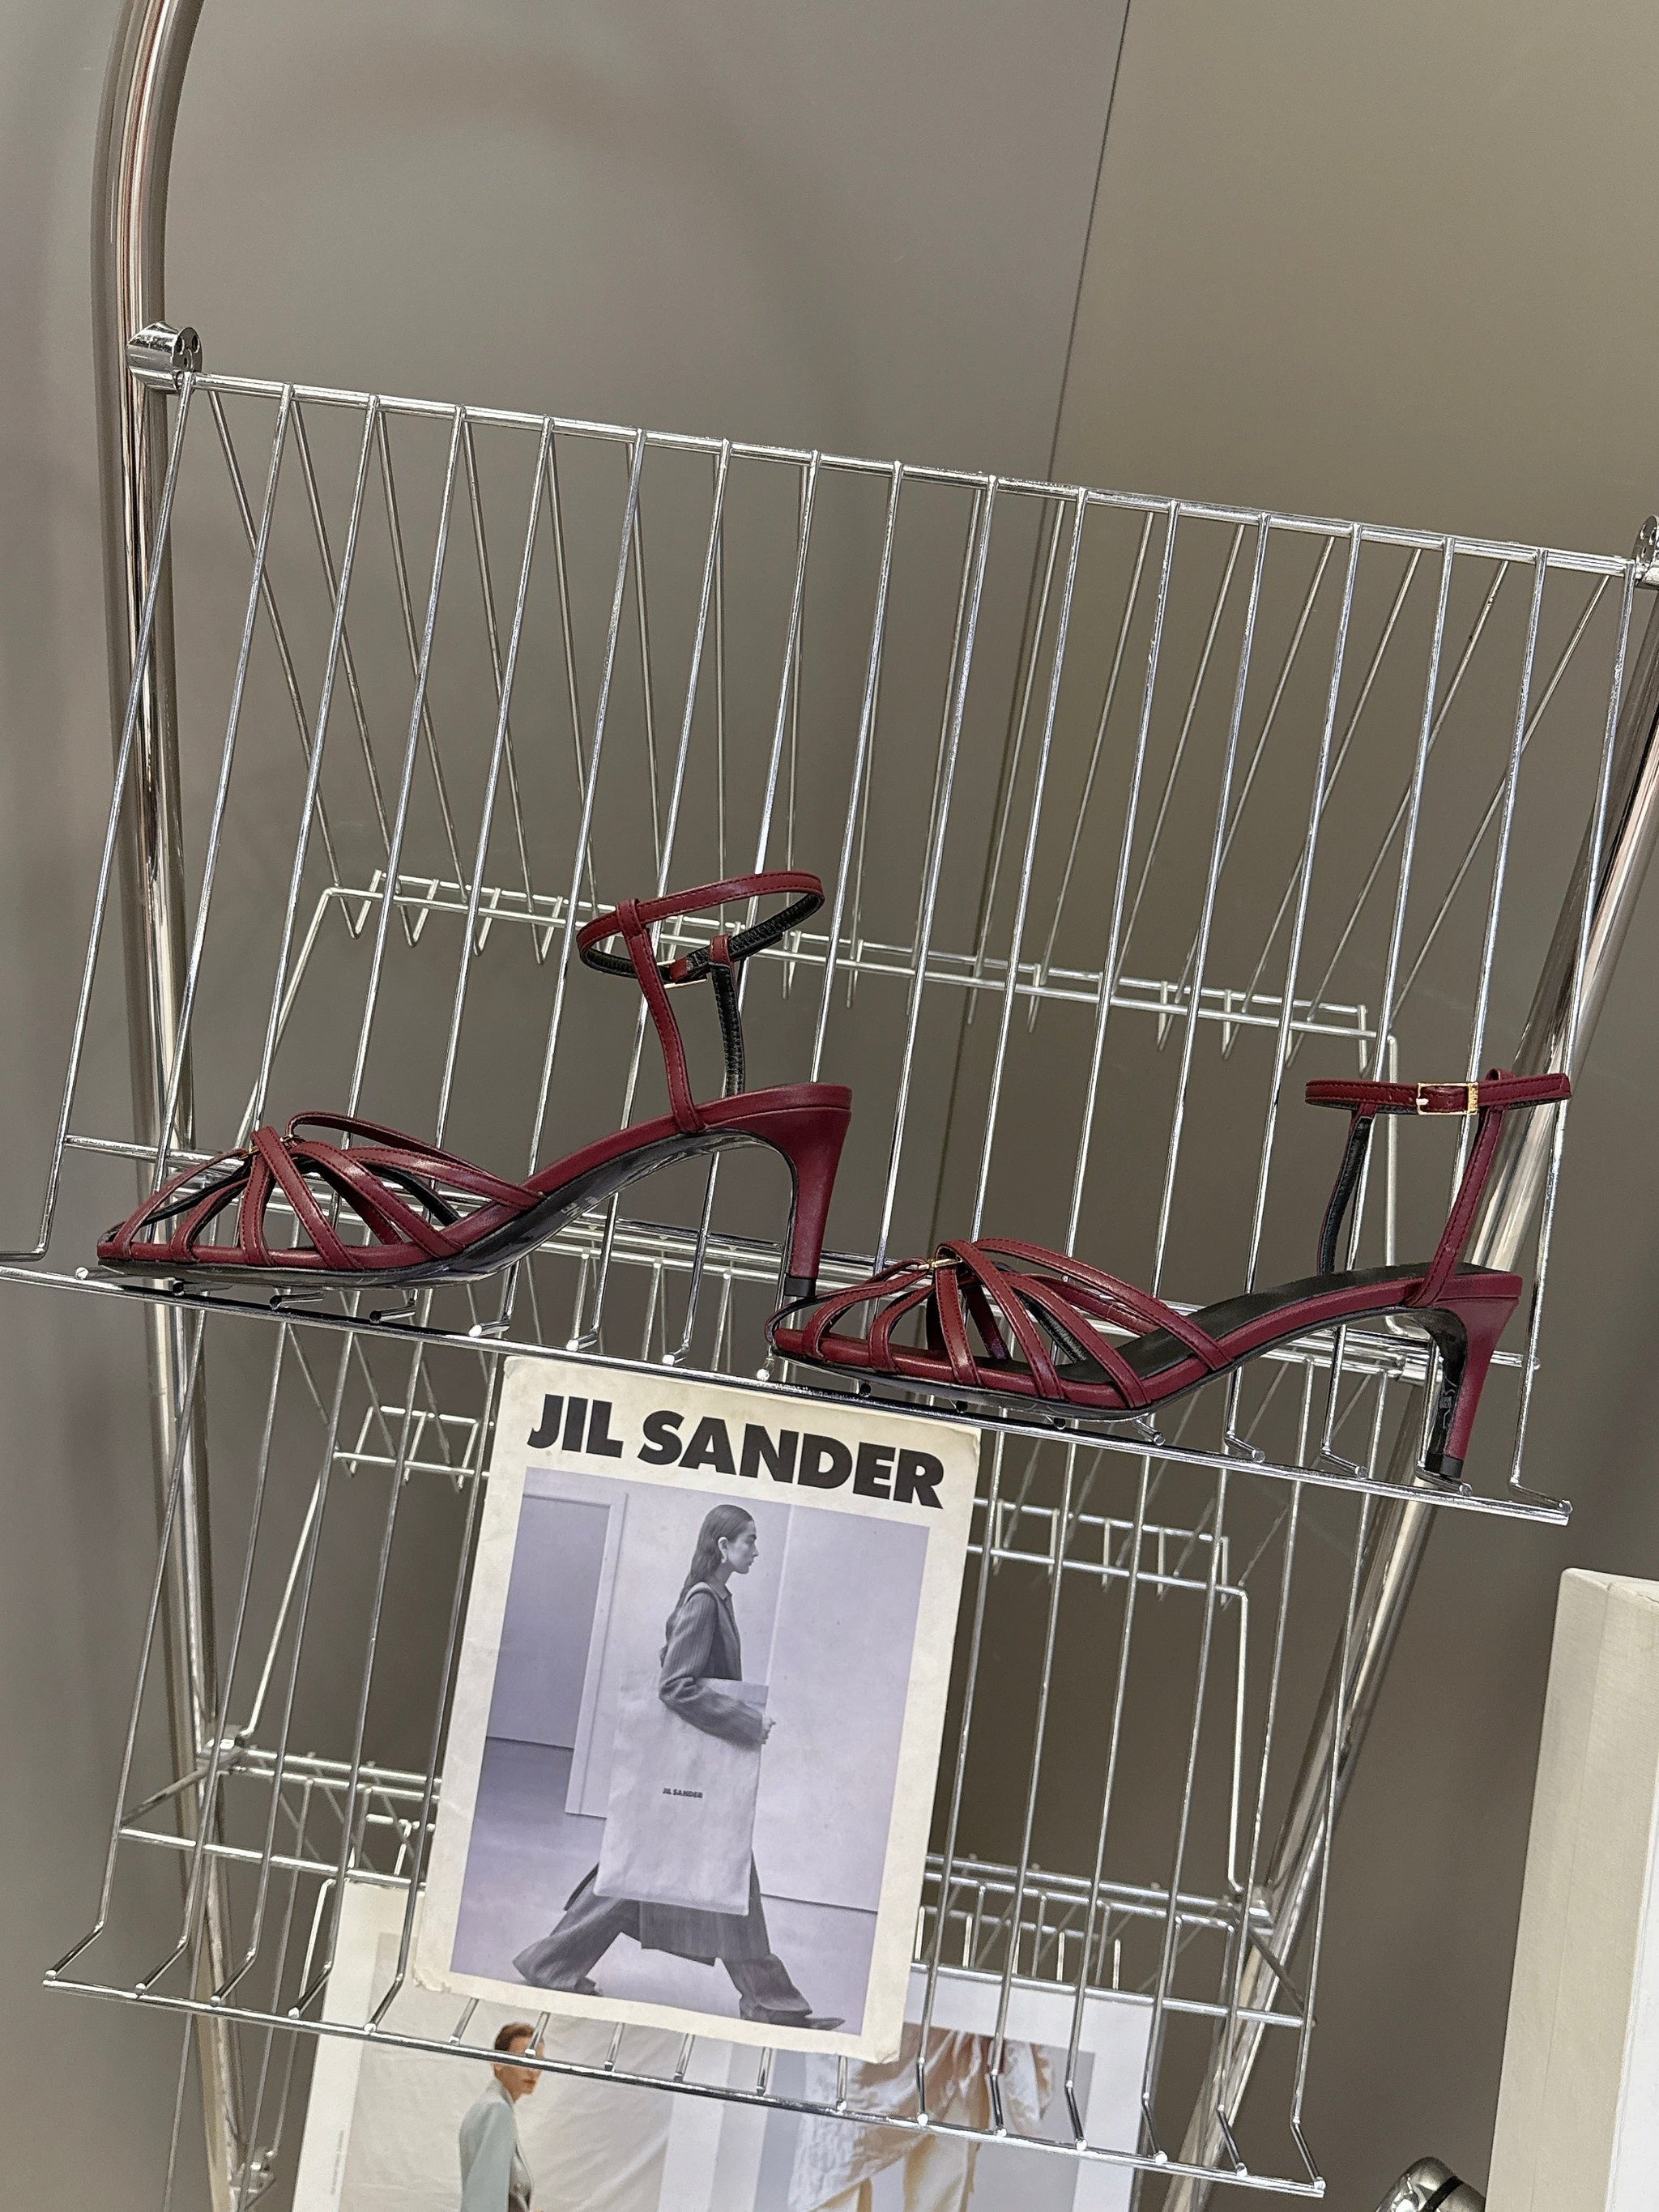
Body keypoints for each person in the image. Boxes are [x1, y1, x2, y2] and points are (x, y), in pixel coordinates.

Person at [513, 1503, 842, 2028]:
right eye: (750, 1540)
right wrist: (745, 1721)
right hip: (695, 1779)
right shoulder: (705, 1602)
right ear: (723, 1546)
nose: (756, 1550)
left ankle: (553, 1962)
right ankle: (767, 2002)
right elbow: (674, 1685)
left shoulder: (715, 1598)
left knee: (665, 1877)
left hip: (695, 1779)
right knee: (702, 1878)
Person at [457, 2021, 540, 2212]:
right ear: (498, 2061)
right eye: (524, 2057)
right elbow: (485, 2204)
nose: (533, 2070)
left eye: (539, 2061)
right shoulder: (496, 2110)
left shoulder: (492, 2107)